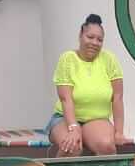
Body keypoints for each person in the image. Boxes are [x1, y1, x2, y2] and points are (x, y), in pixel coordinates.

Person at [47, 14, 128, 157]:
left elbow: (117, 97)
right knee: (72, 146)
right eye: (90, 37)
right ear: (81, 35)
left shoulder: (109, 60)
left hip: (96, 119)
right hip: (65, 119)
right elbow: (66, 98)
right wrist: (73, 127)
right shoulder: (67, 59)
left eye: (99, 40)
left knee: (106, 146)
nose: (94, 42)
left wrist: (119, 131)